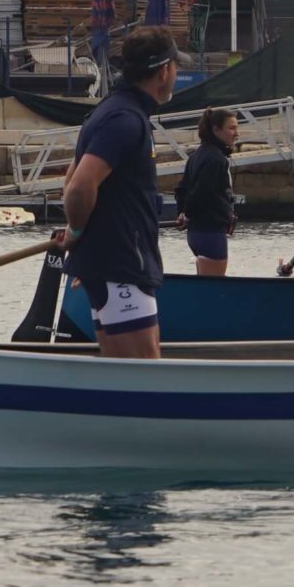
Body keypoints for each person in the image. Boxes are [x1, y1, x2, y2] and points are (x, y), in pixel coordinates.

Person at [50, 26, 182, 358]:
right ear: (164, 71)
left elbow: (73, 174)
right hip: (121, 261)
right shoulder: (124, 119)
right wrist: (77, 232)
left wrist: (78, 234)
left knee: (123, 367)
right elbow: (80, 185)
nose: (177, 73)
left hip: (113, 260)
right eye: (176, 67)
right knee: (143, 368)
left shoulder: (114, 110)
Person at [175, 107, 239, 276]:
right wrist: (187, 214)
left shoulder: (197, 155)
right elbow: (202, 192)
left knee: (203, 282)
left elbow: (182, 189)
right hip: (210, 231)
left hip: (196, 233)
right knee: (213, 289)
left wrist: (182, 212)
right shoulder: (216, 159)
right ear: (216, 130)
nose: (236, 133)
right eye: (231, 128)